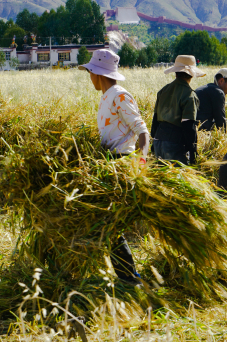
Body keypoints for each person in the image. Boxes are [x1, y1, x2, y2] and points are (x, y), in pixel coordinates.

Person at [79, 48, 149, 284]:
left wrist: (140, 163)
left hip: (120, 163)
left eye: (90, 72)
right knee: (107, 223)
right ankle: (126, 275)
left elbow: (142, 131)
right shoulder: (107, 95)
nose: (89, 77)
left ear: (98, 74)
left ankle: (130, 277)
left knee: (110, 223)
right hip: (109, 162)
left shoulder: (119, 95)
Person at [150, 55, 205, 165]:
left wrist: (155, 142)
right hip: (174, 144)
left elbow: (155, 120)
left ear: (176, 73)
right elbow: (188, 126)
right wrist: (193, 151)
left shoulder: (163, 91)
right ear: (192, 74)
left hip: (158, 141)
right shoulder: (189, 95)